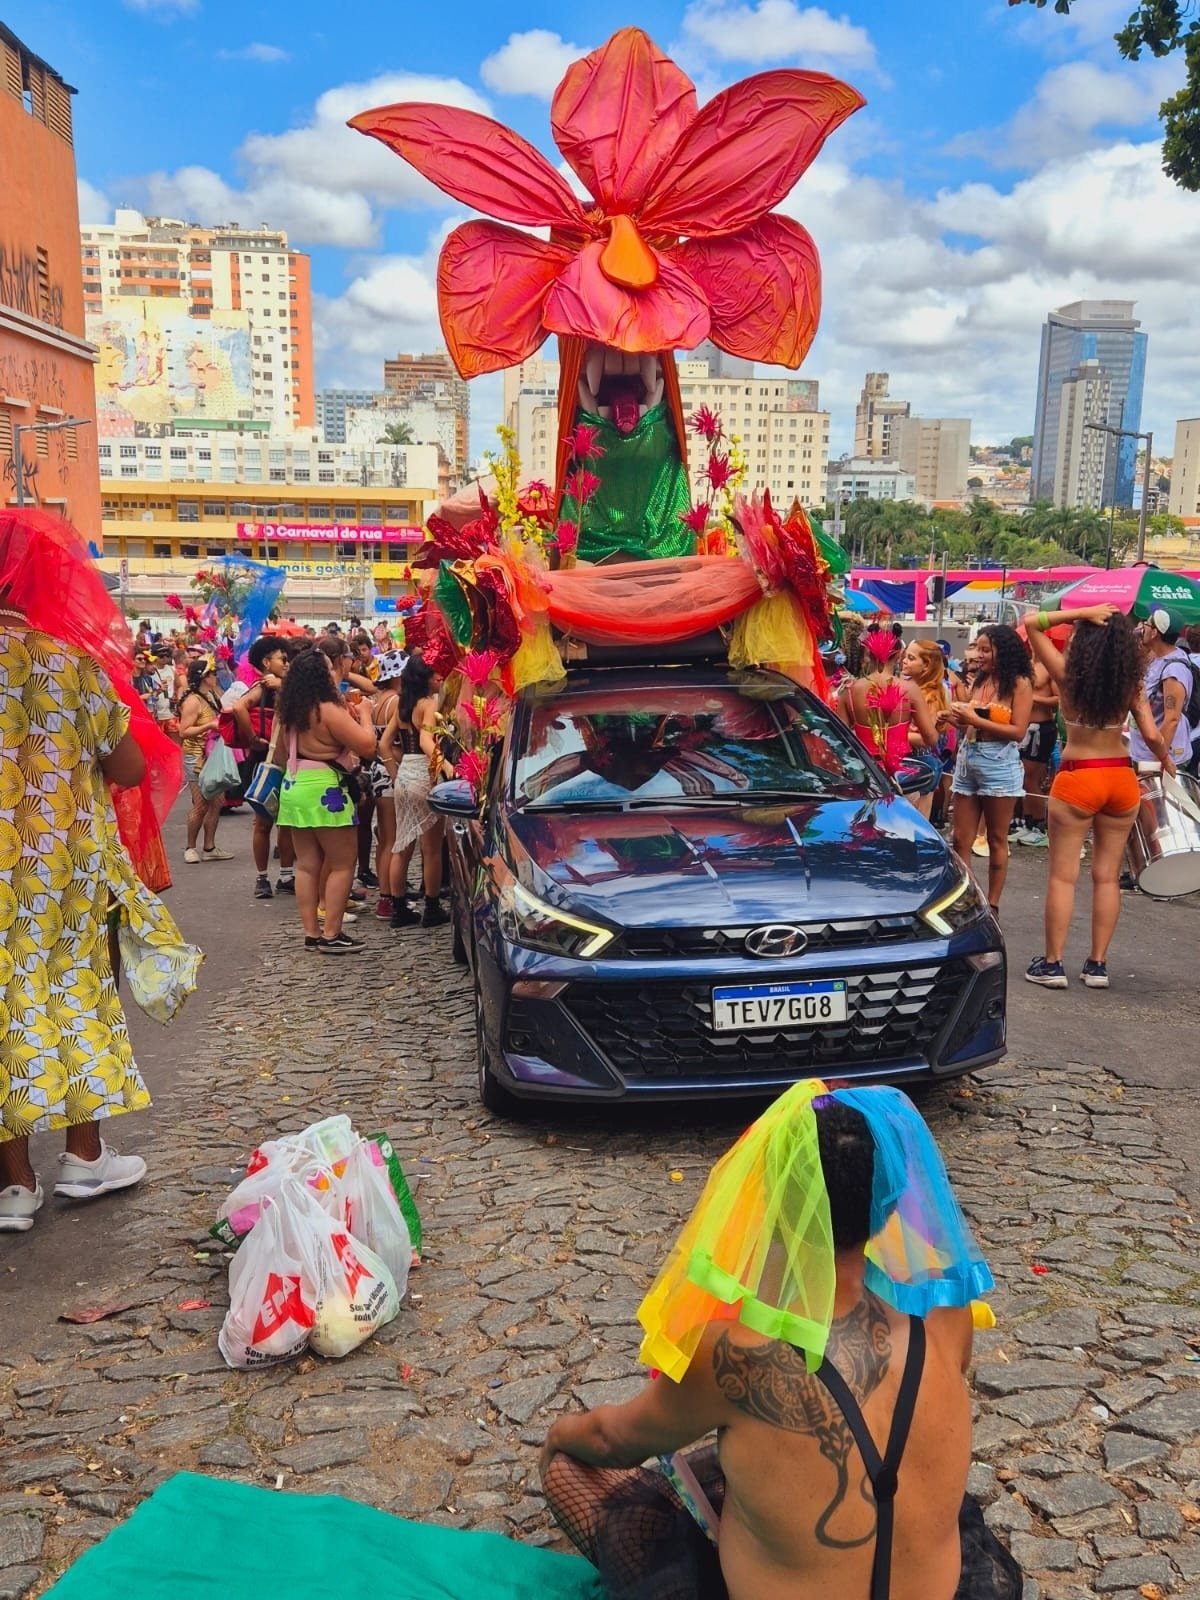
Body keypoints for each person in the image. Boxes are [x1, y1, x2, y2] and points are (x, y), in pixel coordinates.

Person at [540, 1082, 1020, 1600]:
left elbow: (614, 1440)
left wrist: (558, 1438)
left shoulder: (734, 1352)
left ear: (778, 1204)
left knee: (575, 1473)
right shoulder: (947, 1315)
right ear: (888, 1199)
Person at [0, 509, 199, 1231]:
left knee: (6, 1003)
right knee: (76, 993)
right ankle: (84, 1158)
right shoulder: (68, 664)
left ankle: (13, 1184)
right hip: (64, 872)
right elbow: (129, 766)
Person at [1023, 604, 1174, 990]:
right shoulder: (1131, 683)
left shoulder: (1068, 677)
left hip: (1079, 778)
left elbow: (1030, 624)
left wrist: (1082, 613)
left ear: (1083, 639)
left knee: (1063, 875)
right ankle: (1097, 965)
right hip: (1121, 778)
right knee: (1107, 877)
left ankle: (1053, 965)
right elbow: (1153, 737)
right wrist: (1166, 761)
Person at [274, 647, 377, 954]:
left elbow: (281, 755)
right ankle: (332, 933)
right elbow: (368, 745)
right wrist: (367, 715)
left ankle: (311, 932)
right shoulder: (327, 710)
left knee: (306, 865)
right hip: (326, 789)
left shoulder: (291, 713)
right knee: (344, 863)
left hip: (295, 786)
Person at [948, 626, 1032, 916]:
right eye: (977, 649)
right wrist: (955, 718)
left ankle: (992, 904)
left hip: (999, 765)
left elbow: (1018, 731)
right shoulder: (979, 680)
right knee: (961, 838)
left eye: (985, 650)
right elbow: (971, 723)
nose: (978, 655)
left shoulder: (1020, 684)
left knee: (997, 838)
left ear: (1003, 651)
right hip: (968, 759)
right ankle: (969, 900)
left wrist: (974, 718)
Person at [380, 655, 450, 929]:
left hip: (405, 775)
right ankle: (431, 907)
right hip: (424, 774)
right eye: (435, 675)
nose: (439, 679)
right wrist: (446, 765)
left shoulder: (402, 705)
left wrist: (395, 773)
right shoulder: (429, 704)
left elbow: (384, 744)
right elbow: (425, 740)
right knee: (431, 849)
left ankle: (399, 909)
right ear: (425, 679)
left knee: (401, 844)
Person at [231, 635, 295, 901]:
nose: (287, 663)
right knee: (263, 823)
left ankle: (286, 875)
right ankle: (262, 878)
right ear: (266, 662)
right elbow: (238, 707)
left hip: (287, 759)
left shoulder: (287, 686)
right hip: (267, 761)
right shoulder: (263, 687)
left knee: (287, 822)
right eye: (282, 659)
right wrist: (253, 738)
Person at [836, 629, 940, 779]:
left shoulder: (850, 691)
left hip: (865, 773)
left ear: (867, 656)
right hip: (900, 773)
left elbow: (840, 737)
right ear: (898, 656)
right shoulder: (910, 689)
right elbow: (931, 739)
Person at [178, 658, 234, 864]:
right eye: (211, 673)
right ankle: (190, 847)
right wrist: (208, 726)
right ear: (203, 677)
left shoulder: (211, 694)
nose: (215, 676)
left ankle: (209, 847)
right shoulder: (193, 700)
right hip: (196, 757)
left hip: (211, 756)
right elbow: (183, 731)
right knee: (201, 805)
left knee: (217, 802)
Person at [365, 650, 407, 920]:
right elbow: (393, 744)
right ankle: (390, 898)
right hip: (391, 770)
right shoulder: (396, 702)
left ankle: (384, 896)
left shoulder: (378, 701)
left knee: (384, 839)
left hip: (377, 771)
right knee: (394, 840)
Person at [1132, 609, 1193, 772]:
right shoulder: (1156, 656)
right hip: (1144, 753)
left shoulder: (1174, 670)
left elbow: (1171, 720)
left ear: (1154, 633)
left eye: (1146, 624)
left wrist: (1159, 760)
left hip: (1162, 759)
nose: (1142, 628)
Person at [900, 640, 953, 819]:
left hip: (918, 761)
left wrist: (891, 734)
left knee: (913, 822)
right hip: (911, 759)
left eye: (911, 658)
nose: (904, 661)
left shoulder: (929, 696)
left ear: (926, 666)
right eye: (905, 656)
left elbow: (927, 738)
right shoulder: (910, 688)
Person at [1011, 647, 1058, 848]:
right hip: (1023, 727)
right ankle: (1027, 823)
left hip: (1041, 727)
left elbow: (1058, 701)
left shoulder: (1050, 667)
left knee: (1032, 777)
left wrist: (1033, 697)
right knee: (1022, 777)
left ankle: (1038, 826)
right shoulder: (1025, 665)